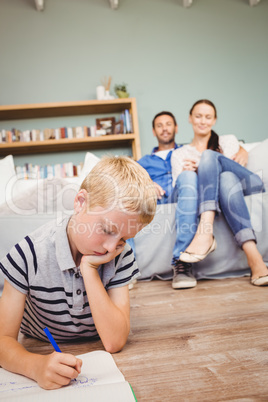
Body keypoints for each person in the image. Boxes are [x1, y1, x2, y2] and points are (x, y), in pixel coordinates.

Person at [0, 156, 157, 390]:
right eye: (106, 230)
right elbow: (3, 341)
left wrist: (90, 269)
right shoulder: (27, 254)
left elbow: (114, 341)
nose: (110, 248)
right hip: (39, 344)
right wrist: (35, 366)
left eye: (124, 238)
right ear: (80, 202)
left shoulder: (120, 255)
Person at [171, 99, 268, 287]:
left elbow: (236, 167)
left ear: (214, 120)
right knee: (225, 180)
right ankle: (255, 259)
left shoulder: (227, 141)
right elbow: (181, 188)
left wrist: (208, 164)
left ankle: (205, 232)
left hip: (249, 183)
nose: (203, 121)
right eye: (198, 116)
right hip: (228, 186)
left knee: (211, 158)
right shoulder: (180, 154)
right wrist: (193, 173)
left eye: (208, 117)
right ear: (190, 119)